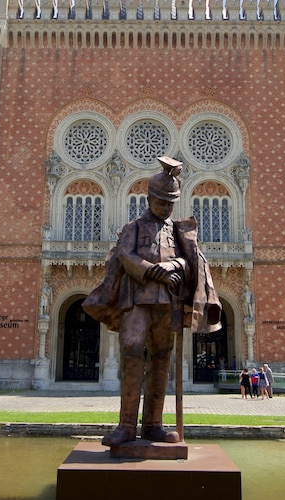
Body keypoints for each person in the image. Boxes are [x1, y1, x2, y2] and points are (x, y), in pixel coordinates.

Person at [83, 156, 221, 446]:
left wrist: (174, 267)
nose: (165, 208)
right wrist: (152, 271)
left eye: (170, 203)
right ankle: (125, 426)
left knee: (161, 359)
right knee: (132, 348)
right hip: (138, 301)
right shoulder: (133, 227)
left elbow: (190, 261)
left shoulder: (178, 231)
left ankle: (153, 426)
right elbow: (125, 256)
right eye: (161, 202)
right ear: (150, 199)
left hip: (167, 303)